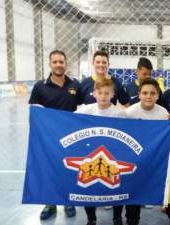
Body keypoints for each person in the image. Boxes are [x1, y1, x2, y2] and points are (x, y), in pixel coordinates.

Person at [29, 49, 81, 220]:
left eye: (61, 61)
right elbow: (35, 114)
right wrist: (38, 137)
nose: (59, 65)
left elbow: (83, 111)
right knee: (48, 169)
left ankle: (68, 200)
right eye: (55, 62)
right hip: (49, 139)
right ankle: (49, 203)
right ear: (50, 64)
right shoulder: (40, 87)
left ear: (66, 63)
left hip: (72, 137)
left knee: (69, 168)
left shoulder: (75, 85)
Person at [115, 78, 170, 225]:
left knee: (160, 190)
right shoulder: (129, 113)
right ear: (139, 94)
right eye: (145, 93)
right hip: (134, 161)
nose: (149, 96)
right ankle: (132, 220)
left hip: (154, 161)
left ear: (158, 95)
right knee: (133, 194)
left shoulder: (164, 114)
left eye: (153, 93)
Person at [75, 79, 126, 225]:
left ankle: (117, 217)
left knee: (116, 187)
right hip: (90, 155)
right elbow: (67, 121)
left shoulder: (119, 113)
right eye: (100, 93)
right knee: (88, 187)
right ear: (94, 94)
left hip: (113, 157)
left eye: (107, 93)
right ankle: (91, 219)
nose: (103, 96)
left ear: (113, 94)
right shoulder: (85, 110)